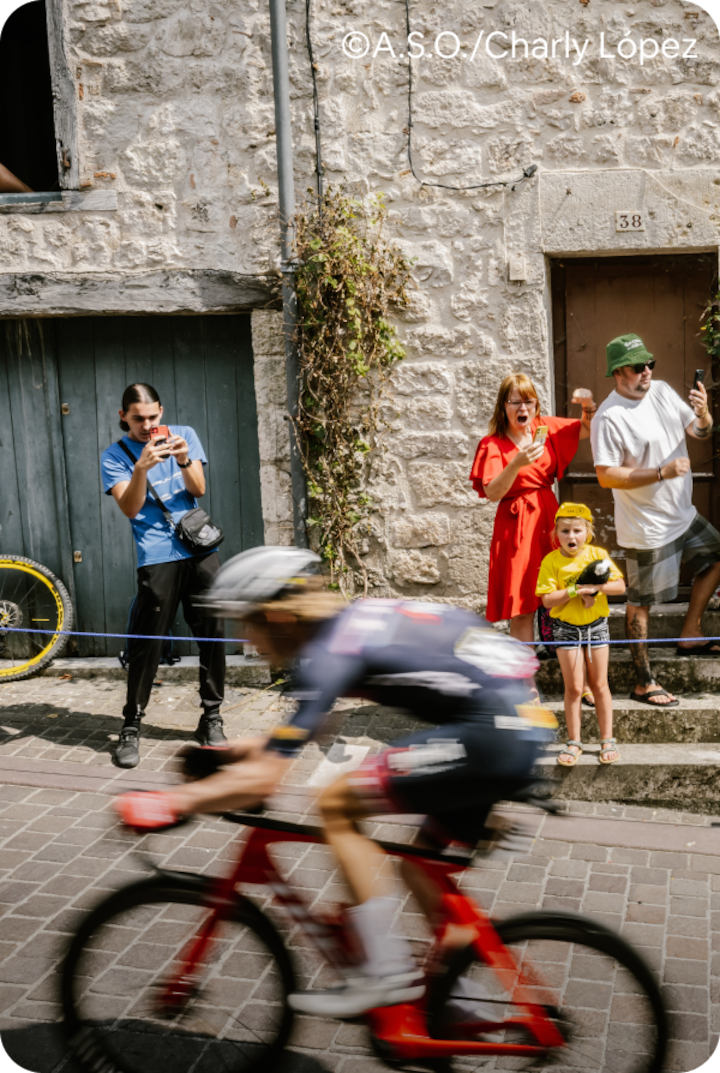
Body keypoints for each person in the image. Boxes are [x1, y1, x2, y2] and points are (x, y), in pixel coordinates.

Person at [113, 546, 556, 1018]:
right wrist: (235, 754)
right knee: (420, 868)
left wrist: (173, 802)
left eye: (248, 622)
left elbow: (265, 781)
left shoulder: (327, 652)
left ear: (278, 615)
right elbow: (304, 732)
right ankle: (456, 1002)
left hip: (489, 735)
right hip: (516, 725)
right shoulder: (348, 628)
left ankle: (386, 972)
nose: (246, 638)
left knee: (336, 803)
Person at [100, 383, 227, 768]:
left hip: (200, 550)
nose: (147, 425)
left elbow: (198, 489)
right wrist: (141, 467)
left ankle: (212, 716)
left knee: (213, 633)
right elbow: (130, 508)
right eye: (138, 418)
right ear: (123, 416)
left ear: (161, 411)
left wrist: (185, 459)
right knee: (147, 642)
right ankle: (131, 725)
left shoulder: (184, 435)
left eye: (153, 417)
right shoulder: (115, 456)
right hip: (156, 557)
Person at [591, 334, 720, 707]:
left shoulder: (661, 391)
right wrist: (660, 472)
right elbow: (606, 476)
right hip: (647, 527)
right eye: (638, 366)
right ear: (618, 372)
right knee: (641, 602)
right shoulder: (608, 417)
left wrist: (703, 413)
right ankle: (643, 682)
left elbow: (699, 432)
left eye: (650, 363)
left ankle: (690, 633)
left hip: (682, 514)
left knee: (715, 558)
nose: (646, 371)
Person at [469, 374, 598, 701]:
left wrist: (588, 405)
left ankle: (580, 681)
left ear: (536, 404)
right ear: (504, 406)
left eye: (528, 401)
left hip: (549, 521)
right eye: (515, 402)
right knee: (523, 607)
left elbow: (588, 428)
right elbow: (492, 491)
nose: (523, 408)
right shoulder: (492, 444)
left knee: (567, 596)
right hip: (515, 527)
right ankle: (525, 685)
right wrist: (517, 463)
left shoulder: (546, 428)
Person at [535, 504, 626, 766]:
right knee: (574, 687)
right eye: (565, 531)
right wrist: (576, 590)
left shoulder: (598, 554)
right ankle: (574, 741)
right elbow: (547, 600)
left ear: (588, 532)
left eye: (577, 530)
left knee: (599, 685)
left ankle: (607, 739)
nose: (571, 536)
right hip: (566, 630)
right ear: (556, 534)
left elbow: (619, 586)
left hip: (596, 627)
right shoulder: (551, 561)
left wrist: (595, 587)